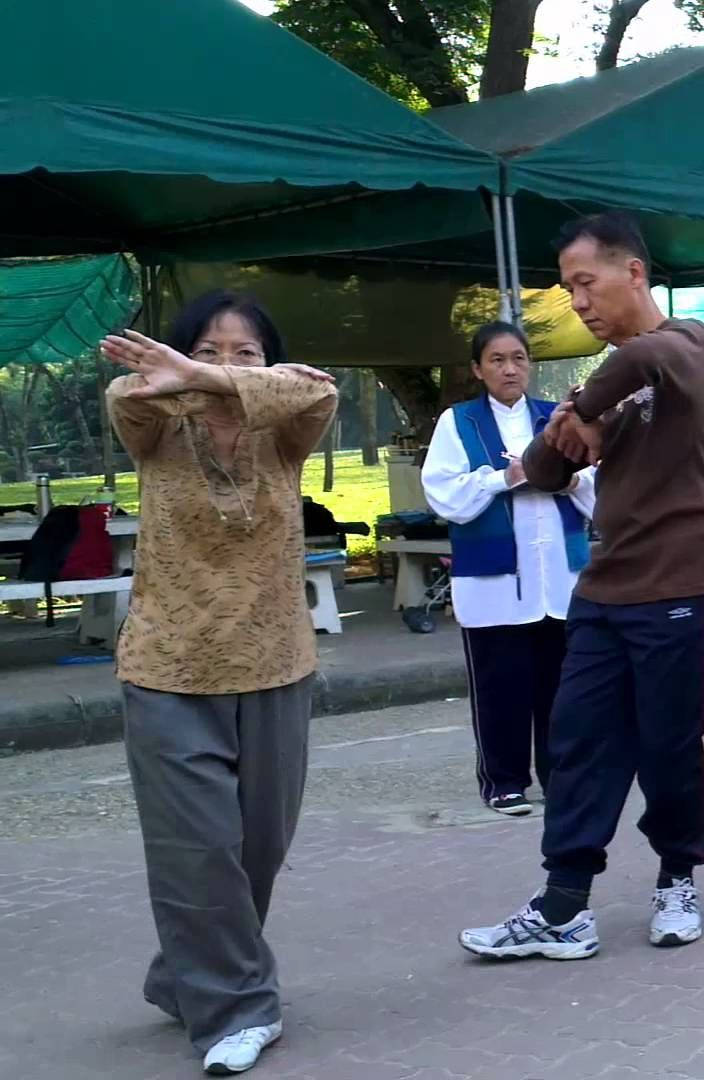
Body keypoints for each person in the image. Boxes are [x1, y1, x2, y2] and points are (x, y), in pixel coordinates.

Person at [459, 212, 704, 960]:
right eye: (568, 288)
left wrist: (581, 411)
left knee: (669, 744)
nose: (576, 302)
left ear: (634, 274)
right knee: (577, 743)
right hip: (606, 590)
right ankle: (563, 906)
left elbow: (645, 359)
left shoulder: (688, 345)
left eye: (586, 283)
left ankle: (678, 877)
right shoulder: (602, 383)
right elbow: (548, 473)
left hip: (684, 581)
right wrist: (564, 434)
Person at [100, 292, 339, 1075]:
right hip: (169, 668)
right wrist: (181, 381)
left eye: (245, 351)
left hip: (275, 663)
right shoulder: (155, 423)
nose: (228, 362)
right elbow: (123, 392)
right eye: (209, 347)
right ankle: (240, 1006)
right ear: (173, 354)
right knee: (196, 851)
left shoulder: (285, 428)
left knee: (257, 849)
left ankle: (183, 975)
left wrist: (199, 374)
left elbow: (321, 390)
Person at [423, 322, 596, 816]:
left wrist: (568, 484)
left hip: (557, 578)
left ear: (530, 365)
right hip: (494, 583)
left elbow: (596, 484)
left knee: (561, 688)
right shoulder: (459, 423)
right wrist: (505, 477)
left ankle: (560, 777)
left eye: (518, 358)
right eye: (497, 360)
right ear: (478, 369)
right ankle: (503, 781)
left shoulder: (556, 417)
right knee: (500, 686)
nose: (510, 368)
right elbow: (443, 493)